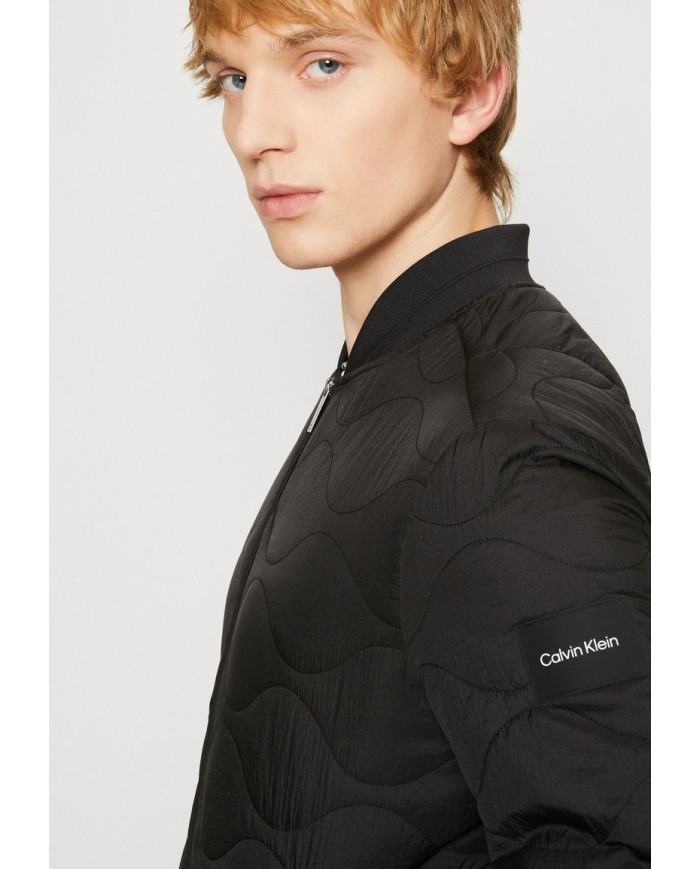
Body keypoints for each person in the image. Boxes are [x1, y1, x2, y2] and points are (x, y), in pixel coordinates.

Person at [178, 1, 651, 866]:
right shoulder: (396, 374)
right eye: (233, 78)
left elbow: (603, 835)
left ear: (470, 92)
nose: (254, 133)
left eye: (323, 65)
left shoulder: (512, 434)